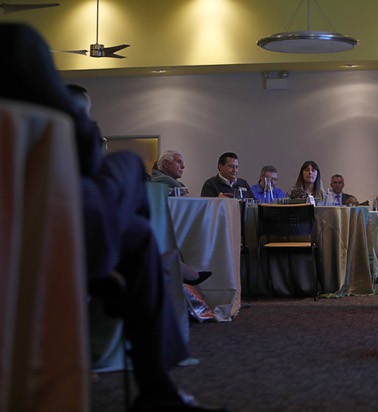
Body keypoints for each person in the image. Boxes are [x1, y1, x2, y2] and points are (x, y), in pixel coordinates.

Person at [0, 23, 222, 411]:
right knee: (126, 173)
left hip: (41, 225)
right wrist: (77, 117)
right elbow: (86, 156)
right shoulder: (35, 107)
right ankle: (157, 384)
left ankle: (158, 384)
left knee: (135, 234)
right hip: (65, 236)